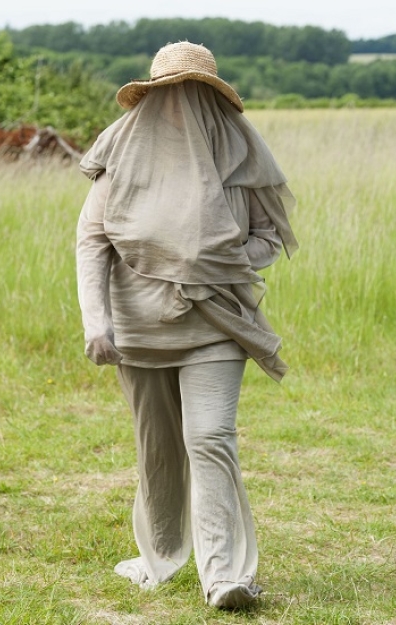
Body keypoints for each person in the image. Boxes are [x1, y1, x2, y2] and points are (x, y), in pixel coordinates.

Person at [75, 41, 298, 610]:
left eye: (194, 90)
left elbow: (270, 235)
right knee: (158, 449)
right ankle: (163, 554)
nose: (183, 102)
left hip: (218, 321)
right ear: (153, 96)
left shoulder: (240, 153)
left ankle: (226, 575)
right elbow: (92, 240)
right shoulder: (121, 153)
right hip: (138, 328)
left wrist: (217, 261)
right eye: (171, 91)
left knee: (210, 439)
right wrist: (95, 320)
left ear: (210, 94)